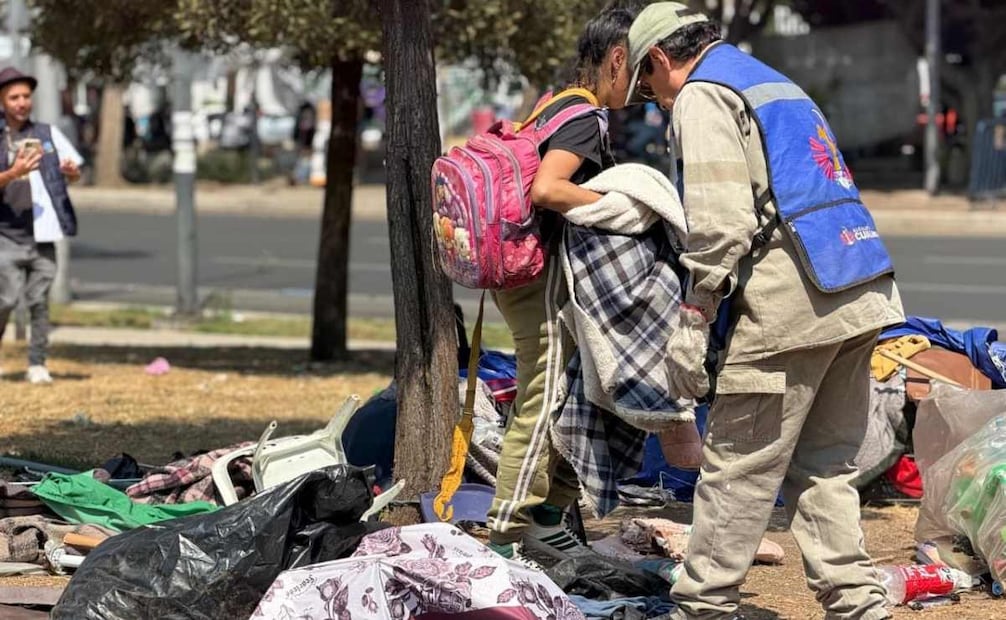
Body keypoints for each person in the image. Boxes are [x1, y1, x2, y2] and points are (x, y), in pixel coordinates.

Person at [624, 4, 905, 619]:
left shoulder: (703, 96)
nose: (655, 100)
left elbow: (722, 224)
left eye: (647, 86)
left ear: (661, 59)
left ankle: (702, 607)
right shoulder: (770, 81)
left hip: (791, 306)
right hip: (859, 290)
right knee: (825, 469)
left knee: (737, 469)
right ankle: (859, 605)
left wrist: (694, 318)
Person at [486, 4, 639, 566]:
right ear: (616, 59)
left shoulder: (553, 103)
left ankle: (546, 524)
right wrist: (618, 204)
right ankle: (505, 534)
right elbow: (549, 190)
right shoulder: (584, 116)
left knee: (574, 395)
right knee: (545, 398)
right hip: (542, 280)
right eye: (639, 68)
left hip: (527, 275)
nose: (643, 85)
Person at [0, 67, 83, 384]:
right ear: (2, 100)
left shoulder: (47, 134)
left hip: (43, 234)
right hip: (5, 233)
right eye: (14, 97)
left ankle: (37, 363)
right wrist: (13, 171)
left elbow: (74, 175)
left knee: (38, 301)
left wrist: (71, 172)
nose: (21, 103)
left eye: (25, 96)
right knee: (5, 299)